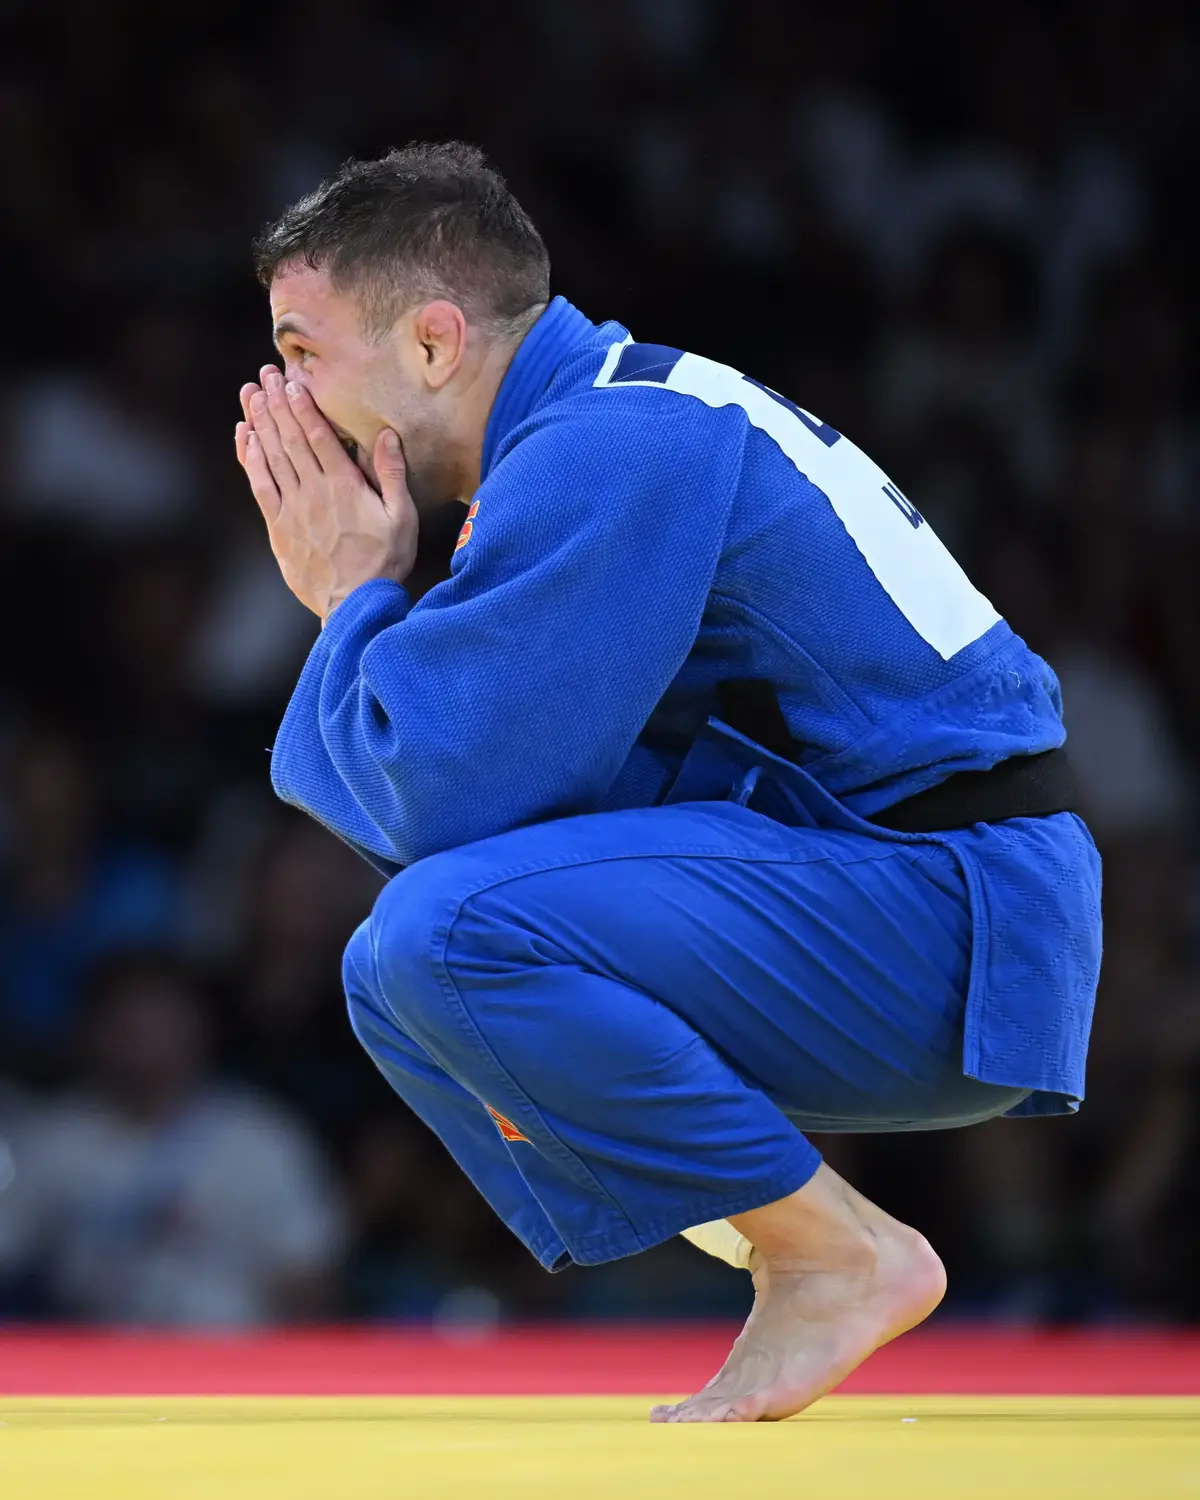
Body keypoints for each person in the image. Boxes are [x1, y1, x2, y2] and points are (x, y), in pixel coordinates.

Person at [234, 142, 1101, 1421]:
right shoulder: (603, 417)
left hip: (951, 915)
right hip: (893, 893)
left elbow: (433, 803)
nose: (283, 398)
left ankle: (835, 1254)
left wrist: (350, 597)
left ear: (431, 344)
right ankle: (774, 1225)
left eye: (303, 352)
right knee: (390, 972)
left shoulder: (607, 443)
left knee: (444, 935)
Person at [0, 953, 345, 1326]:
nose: (142, 1035)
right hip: (94, 1365)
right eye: (124, 1020)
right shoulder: (53, 1140)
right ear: (92, 1032)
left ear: (199, 1026)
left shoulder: (261, 1140)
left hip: (231, 1360)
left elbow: (308, 1283)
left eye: (159, 1017)